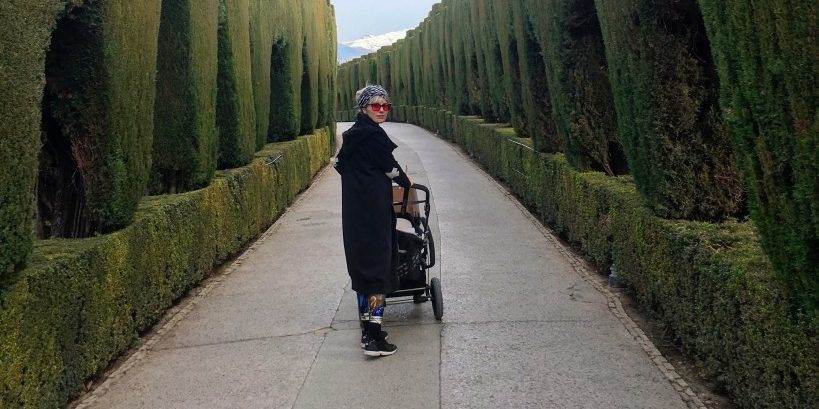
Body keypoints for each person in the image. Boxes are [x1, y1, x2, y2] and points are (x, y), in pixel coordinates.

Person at [333, 85, 411, 357]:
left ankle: (367, 330)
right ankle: (374, 338)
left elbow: (339, 165)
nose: (381, 110)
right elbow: (391, 169)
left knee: (362, 269)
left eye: (385, 106)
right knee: (378, 271)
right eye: (375, 105)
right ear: (364, 108)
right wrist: (406, 182)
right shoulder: (373, 135)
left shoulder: (353, 135)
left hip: (354, 213)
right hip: (375, 212)